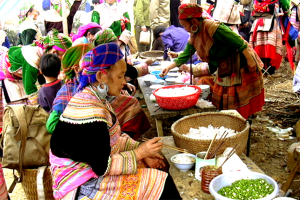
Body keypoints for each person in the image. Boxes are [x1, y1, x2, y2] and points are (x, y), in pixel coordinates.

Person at [50, 43, 181, 199]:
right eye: (120, 76)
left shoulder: (95, 98)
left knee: (158, 169)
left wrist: (142, 151)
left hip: (92, 167)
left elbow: (113, 140)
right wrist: (139, 153)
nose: (124, 81)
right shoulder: (91, 113)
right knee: (161, 184)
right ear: (100, 76)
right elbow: (102, 166)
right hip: (80, 184)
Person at [161, 4, 265, 119]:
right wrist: (169, 67)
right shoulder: (195, 34)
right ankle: (231, 120)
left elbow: (240, 43)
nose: (184, 29)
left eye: (185, 25)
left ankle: (242, 121)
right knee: (226, 97)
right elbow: (186, 53)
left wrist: (250, 61)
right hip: (223, 65)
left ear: (194, 21)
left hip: (238, 63)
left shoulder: (214, 28)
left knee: (239, 97)